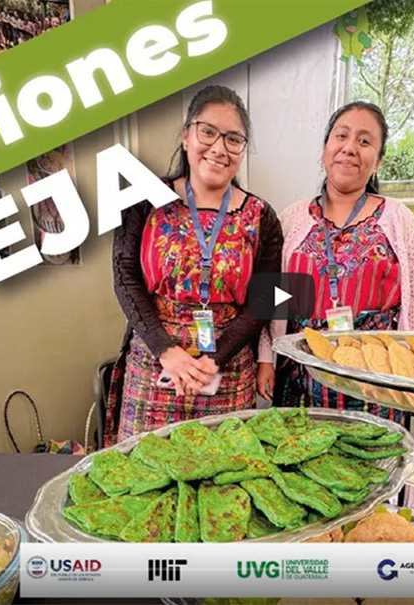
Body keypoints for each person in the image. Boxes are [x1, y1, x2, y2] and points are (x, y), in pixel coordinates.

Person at [104, 85, 283, 445]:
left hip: (227, 371)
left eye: (234, 139)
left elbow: (267, 299)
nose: (219, 148)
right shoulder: (144, 200)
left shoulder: (262, 216)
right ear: (186, 135)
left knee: (222, 479)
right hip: (156, 366)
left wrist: (214, 359)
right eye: (208, 132)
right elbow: (125, 278)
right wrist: (167, 352)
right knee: (144, 476)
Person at [257, 101, 414, 421]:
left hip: (375, 381)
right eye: (341, 136)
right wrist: (266, 358)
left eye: (365, 141)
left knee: (371, 463)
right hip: (299, 378)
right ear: (326, 148)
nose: (350, 148)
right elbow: (272, 298)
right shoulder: (292, 218)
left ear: (377, 161)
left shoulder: (398, 219)